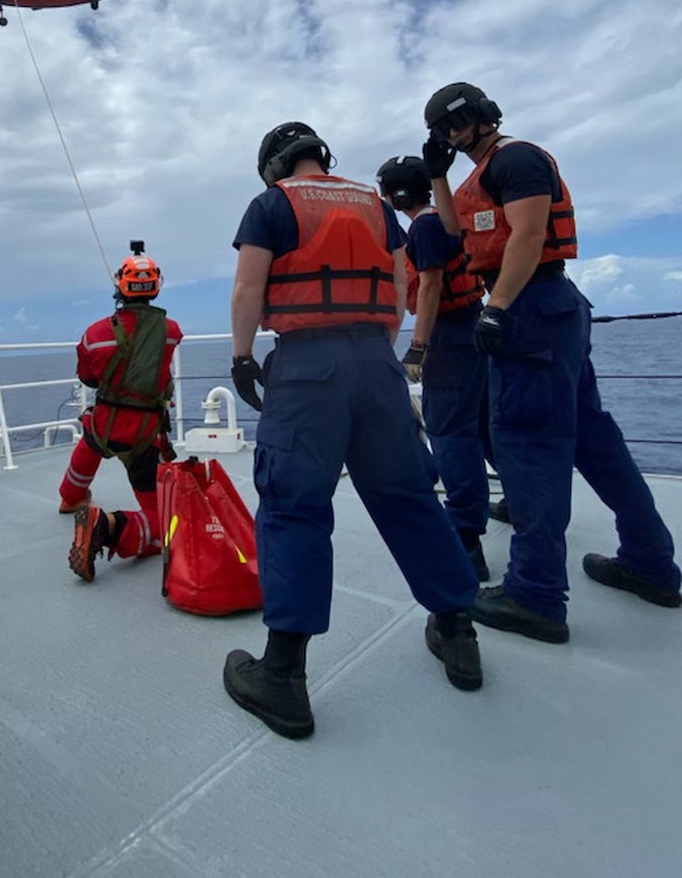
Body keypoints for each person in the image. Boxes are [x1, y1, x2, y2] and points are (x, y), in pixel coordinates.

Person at [224, 122, 483, 741]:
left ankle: (282, 677)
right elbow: (399, 286)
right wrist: (375, 352)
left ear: (275, 165)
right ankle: (458, 634)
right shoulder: (374, 203)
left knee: (293, 507)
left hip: (308, 367)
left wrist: (240, 358)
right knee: (409, 497)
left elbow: (247, 286)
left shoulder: (272, 204)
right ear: (322, 157)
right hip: (376, 361)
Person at [423, 83, 681, 642]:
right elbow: (453, 232)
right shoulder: (482, 173)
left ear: (478, 119)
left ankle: (535, 594)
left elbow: (529, 233)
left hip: (530, 309)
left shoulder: (515, 159)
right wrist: (437, 175)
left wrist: (497, 308)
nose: (451, 137)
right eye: (444, 132)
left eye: (454, 126)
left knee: (527, 447)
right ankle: (651, 563)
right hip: (548, 311)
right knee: (593, 437)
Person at [376, 155, 491, 580]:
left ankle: (465, 538)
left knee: (448, 431)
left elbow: (430, 285)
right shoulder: (440, 220)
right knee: (482, 424)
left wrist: (418, 346)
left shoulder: (423, 227)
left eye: (386, 193)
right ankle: (515, 503)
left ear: (398, 195)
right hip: (473, 327)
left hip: (449, 334)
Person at [61, 244, 183, 583]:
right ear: (156, 287)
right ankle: (111, 527)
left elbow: (87, 376)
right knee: (166, 526)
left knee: (90, 442)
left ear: (120, 287)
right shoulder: (171, 332)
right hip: (145, 433)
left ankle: (70, 498)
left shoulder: (95, 334)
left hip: (105, 423)